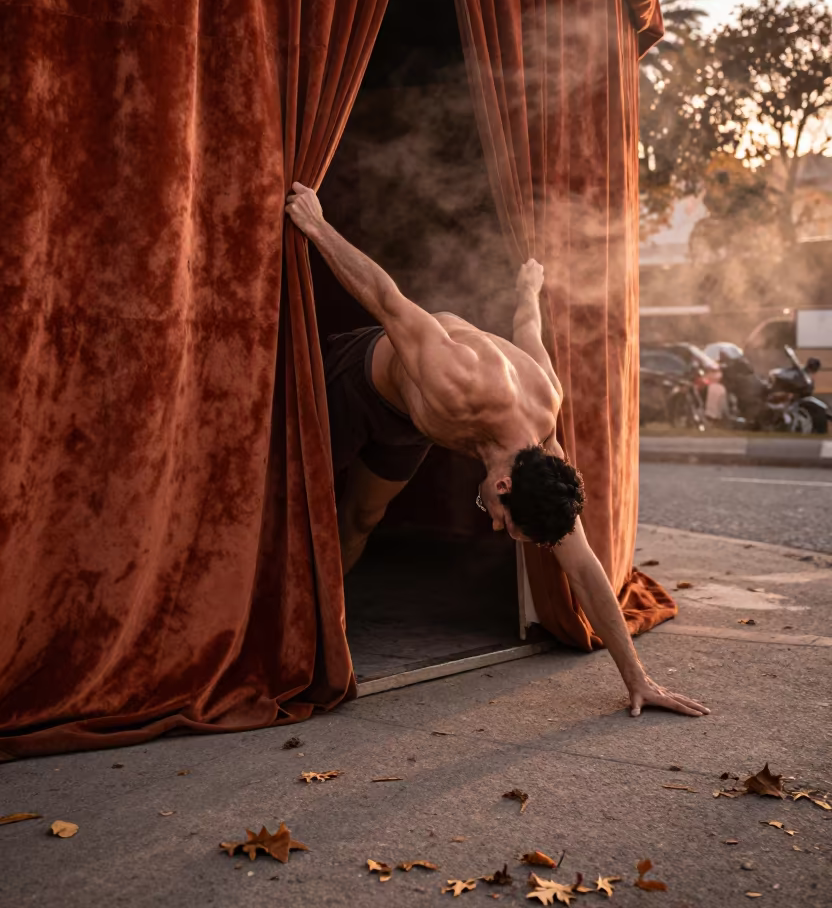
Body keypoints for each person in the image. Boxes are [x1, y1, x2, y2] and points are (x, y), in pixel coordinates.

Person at [286, 182, 709, 719]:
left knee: (363, 517)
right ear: (504, 486)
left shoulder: (543, 433)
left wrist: (639, 679)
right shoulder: (457, 380)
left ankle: (320, 626)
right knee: (294, 500)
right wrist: (317, 225)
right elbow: (385, 298)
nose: (494, 526)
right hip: (355, 386)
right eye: (504, 523)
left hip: (409, 426)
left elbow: (584, 570)